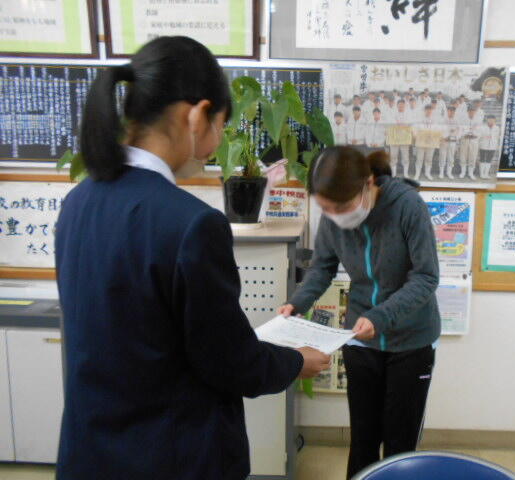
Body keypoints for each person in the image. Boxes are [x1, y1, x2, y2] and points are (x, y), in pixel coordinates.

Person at [54, 36, 330, 480]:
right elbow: (229, 362)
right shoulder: (191, 224)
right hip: (173, 458)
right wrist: (296, 362)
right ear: (198, 115)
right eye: (220, 125)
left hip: (92, 454)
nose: (215, 146)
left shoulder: (78, 202)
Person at [278, 146, 440, 479]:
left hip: (411, 338)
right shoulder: (332, 216)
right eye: (326, 209)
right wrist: (297, 302)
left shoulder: (408, 206)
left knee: (400, 444)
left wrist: (381, 316)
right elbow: (322, 267)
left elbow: (426, 277)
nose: (335, 216)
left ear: (368, 183)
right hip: (360, 338)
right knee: (363, 438)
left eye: (341, 207)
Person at [412, 104, 441, 181]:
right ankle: (417, 173)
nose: (428, 111)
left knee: (429, 158)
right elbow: (414, 128)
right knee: (419, 158)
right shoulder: (419, 119)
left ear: (432, 111)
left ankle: (427, 173)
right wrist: (416, 135)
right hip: (421, 141)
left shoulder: (435, 120)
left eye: (430, 110)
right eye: (427, 109)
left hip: (431, 142)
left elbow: (438, 130)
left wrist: (433, 134)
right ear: (424, 110)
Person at [458, 107, 482, 179]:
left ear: (475, 112)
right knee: (463, 156)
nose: (471, 113)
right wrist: (464, 134)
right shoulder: (463, 120)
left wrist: (475, 135)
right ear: (467, 112)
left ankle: (470, 173)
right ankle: (463, 172)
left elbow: (480, 132)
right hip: (465, 139)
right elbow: (460, 130)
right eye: (470, 111)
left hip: (474, 140)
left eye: (473, 111)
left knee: (473, 156)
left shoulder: (478, 120)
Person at [439, 106, 460, 179]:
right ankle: (441, 172)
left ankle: (449, 173)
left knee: (451, 157)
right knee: (442, 156)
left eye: (453, 111)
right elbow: (439, 130)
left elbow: (459, 130)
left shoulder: (457, 120)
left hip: (452, 141)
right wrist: (444, 137)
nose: (451, 112)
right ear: (447, 111)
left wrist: (456, 138)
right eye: (450, 111)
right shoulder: (442, 120)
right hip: (444, 140)